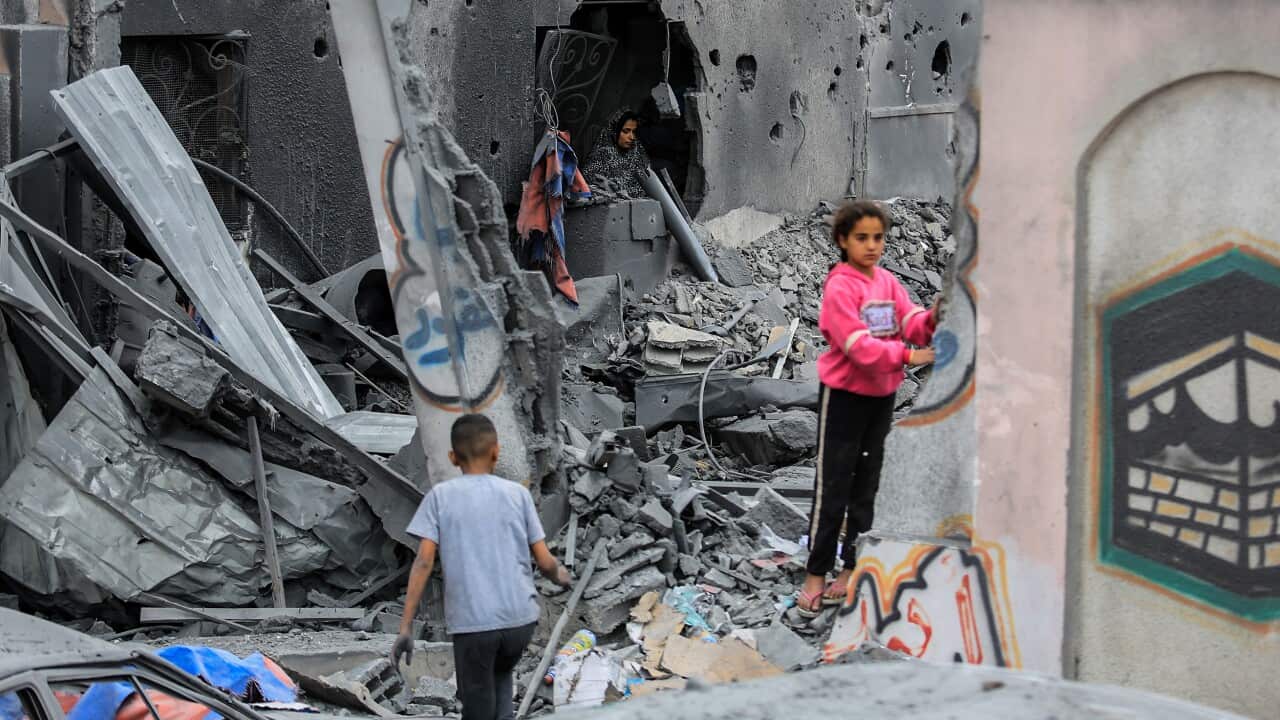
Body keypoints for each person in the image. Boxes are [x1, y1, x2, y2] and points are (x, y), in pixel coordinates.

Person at [796, 200, 938, 618]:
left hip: (881, 398)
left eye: (878, 237)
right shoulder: (840, 287)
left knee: (866, 487)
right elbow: (857, 345)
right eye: (863, 238)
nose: (873, 246)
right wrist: (911, 358)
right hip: (844, 398)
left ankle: (851, 568)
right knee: (832, 489)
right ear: (843, 241)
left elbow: (910, 321)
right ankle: (815, 576)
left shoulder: (887, 282)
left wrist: (935, 316)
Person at [391, 414, 572, 720]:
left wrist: (406, 626)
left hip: (475, 625)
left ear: (452, 457)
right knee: (501, 678)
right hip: (519, 623)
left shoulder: (440, 497)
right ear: (496, 452)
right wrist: (563, 575)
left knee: (477, 706)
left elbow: (423, 562)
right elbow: (544, 561)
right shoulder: (518, 495)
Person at [581, 107, 651, 198]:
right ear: (614, 132)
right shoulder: (602, 156)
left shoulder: (637, 156)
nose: (631, 137)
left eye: (634, 132)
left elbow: (648, 186)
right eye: (626, 131)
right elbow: (588, 182)